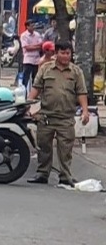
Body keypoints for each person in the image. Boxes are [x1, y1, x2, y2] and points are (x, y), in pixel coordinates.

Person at [27, 40, 89, 187]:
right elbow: (36, 88)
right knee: (44, 147)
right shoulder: (46, 69)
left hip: (66, 118)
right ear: (56, 53)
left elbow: (81, 93)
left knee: (65, 149)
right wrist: (27, 106)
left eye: (68, 53)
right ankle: (42, 174)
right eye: (63, 53)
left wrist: (85, 111)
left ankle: (65, 176)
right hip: (46, 116)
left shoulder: (76, 72)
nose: (66, 56)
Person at [18, 19, 44, 89]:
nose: (33, 27)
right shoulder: (24, 35)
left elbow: (41, 45)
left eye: (33, 26)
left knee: (35, 78)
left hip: (36, 59)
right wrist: (36, 46)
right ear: (27, 27)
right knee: (25, 78)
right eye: (31, 26)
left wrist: (32, 46)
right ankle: (24, 92)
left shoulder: (37, 34)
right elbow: (26, 47)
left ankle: (33, 94)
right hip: (28, 59)